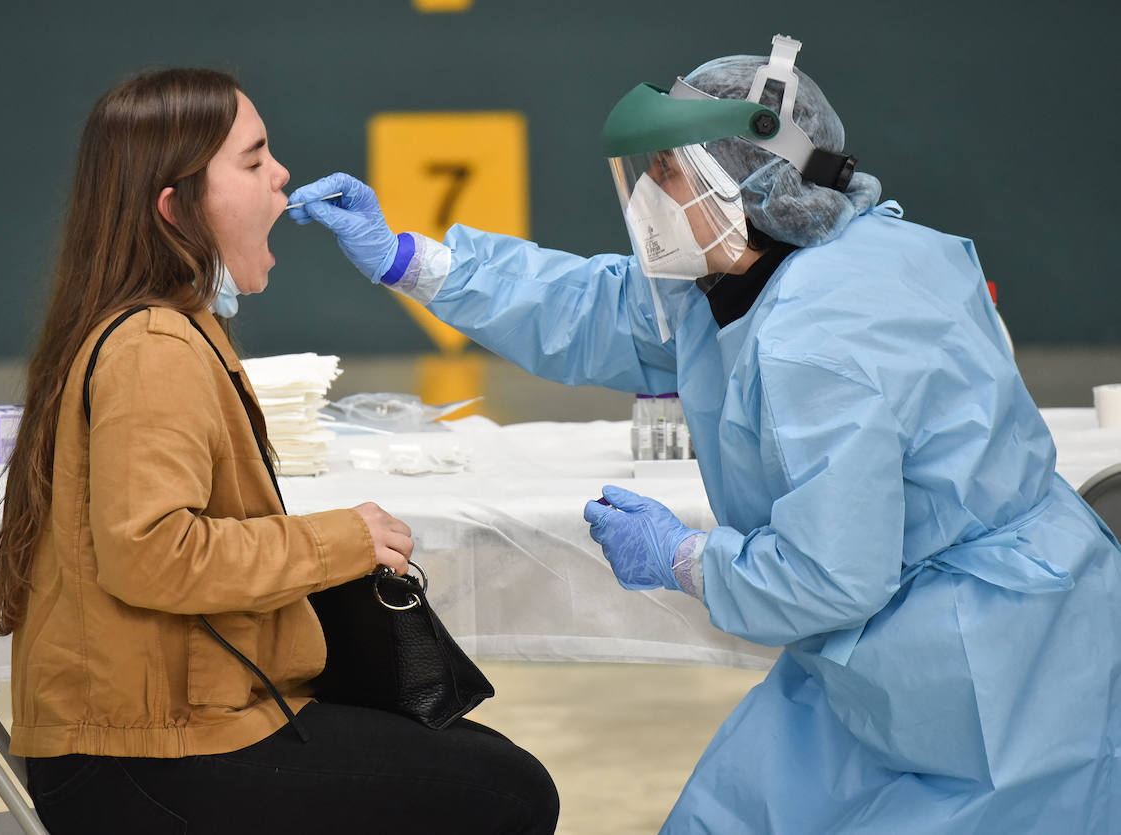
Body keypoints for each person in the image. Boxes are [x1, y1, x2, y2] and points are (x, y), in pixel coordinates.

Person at [287, 35, 1121, 834]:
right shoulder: (773, 264)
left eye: (664, 173)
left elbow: (830, 577)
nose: (648, 198)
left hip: (992, 673)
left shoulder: (821, 338)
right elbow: (598, 308)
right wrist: (414, 261)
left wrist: (684, 558)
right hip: (889, 653)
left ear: (740, 185)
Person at [0, 68, 558, 834]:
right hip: (137, 759)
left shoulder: (168, 328)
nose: (282, 174)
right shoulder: (154, 346)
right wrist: (342, 539)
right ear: (175, 209)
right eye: (253, 162)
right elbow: (151, 552)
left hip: (152, 733)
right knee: (509, 793)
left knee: (481, 764)